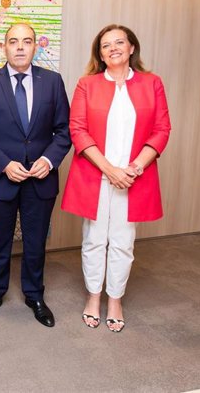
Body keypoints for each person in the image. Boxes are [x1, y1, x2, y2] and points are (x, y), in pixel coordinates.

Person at [62, 24, 171, 332]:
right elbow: (78, 130)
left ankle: (115, 300)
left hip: (134, 178)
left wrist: (135, 167)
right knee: (94, 239)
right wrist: (110, 169)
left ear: (131, 47)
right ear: (100, 54)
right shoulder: (87, 84)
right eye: (105, 45)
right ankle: (93, 297)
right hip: (96, 175)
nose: (113, 48)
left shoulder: (152, 83)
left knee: (123, 242)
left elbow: (162, 129)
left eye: (119, 42)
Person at [0, 23, 71, 327]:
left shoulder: (52, 82)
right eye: (13, 41)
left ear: (35, 46)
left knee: (35, 241)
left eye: (27, 41)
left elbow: (63, 131)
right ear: (4, 47)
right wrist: (4, 164)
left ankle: (34, 295)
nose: (20, 47)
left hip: (40, 180)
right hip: (1, 178)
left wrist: (49, 160)